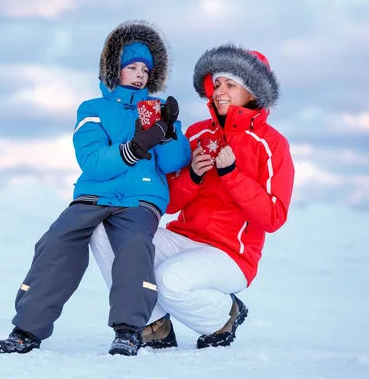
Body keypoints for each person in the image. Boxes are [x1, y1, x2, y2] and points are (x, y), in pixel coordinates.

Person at [0, 20, 191, 356]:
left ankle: (130, 331)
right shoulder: (92, 110)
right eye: (132, 67)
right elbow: (92, 160)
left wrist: (169, 131)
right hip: (93, 195)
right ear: (115, 69)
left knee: (133, 246)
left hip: (140, 200)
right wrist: (136, 146)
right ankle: (26, 329)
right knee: (56, 242)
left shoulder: (156, 113)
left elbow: (174, 162)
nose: (140, 74)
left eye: (146, 68)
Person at [90, 43, 295, 350]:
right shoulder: (198, 134)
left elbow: (273, 218)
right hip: (183, 239)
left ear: (252, 92)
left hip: (230, 255)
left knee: (167, 280)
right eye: (216, 84)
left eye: (230, 84)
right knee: (108, 231)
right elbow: (169, 203)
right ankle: (153, 325)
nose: (219, 91)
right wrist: (194, 177)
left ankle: (226, 314)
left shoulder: (271, 145)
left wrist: (232, 176)